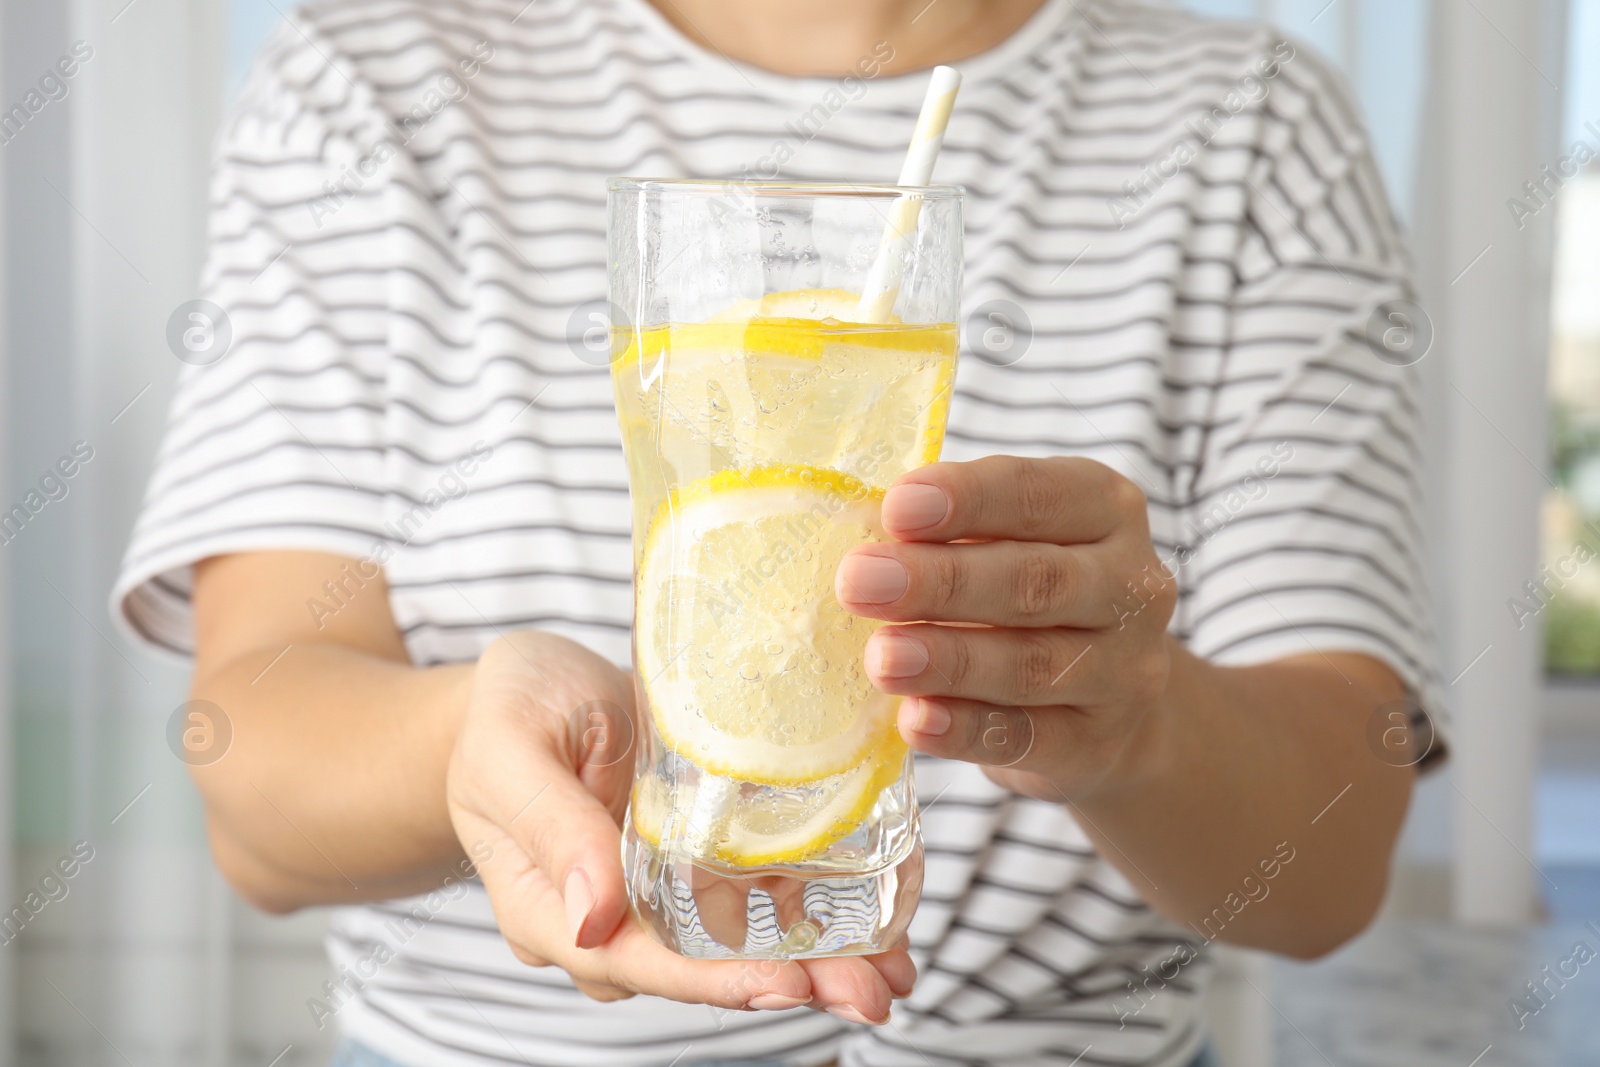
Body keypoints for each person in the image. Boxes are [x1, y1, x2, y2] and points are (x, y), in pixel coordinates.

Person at [113, 0, 1443, 1064]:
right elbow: (254, 778)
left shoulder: (1255, 124)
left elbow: (1327, 876)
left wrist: (1137, 724)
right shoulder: (380, 73)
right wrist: (471, 738)